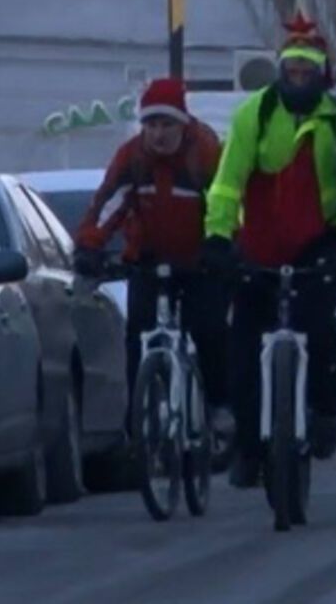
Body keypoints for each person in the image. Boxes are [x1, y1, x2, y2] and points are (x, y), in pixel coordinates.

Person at [202, 14, 336, 487]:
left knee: (322, 330)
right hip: (260, 243)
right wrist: (219, 237)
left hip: (319, 241)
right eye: (291, 71)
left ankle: (325, 412)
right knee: (242, 345)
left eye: (307, 72)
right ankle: (249, 444)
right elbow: (226, 185)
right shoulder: (254, 115)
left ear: (321, 75)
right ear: (281, 71)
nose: (298, 79)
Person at [75, 78, 230, 431]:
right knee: (138, 336)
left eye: (167, 125)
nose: (158, 134)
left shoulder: (204, 153)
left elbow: (227, 202)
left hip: (198, 263)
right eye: (151, 125)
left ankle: (219, 406)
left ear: (183, 123)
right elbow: (108, 205)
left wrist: (225, 246)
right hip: (147, 261)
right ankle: (139, 421)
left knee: (210, 331)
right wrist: (89, 244)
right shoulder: (132, 158)